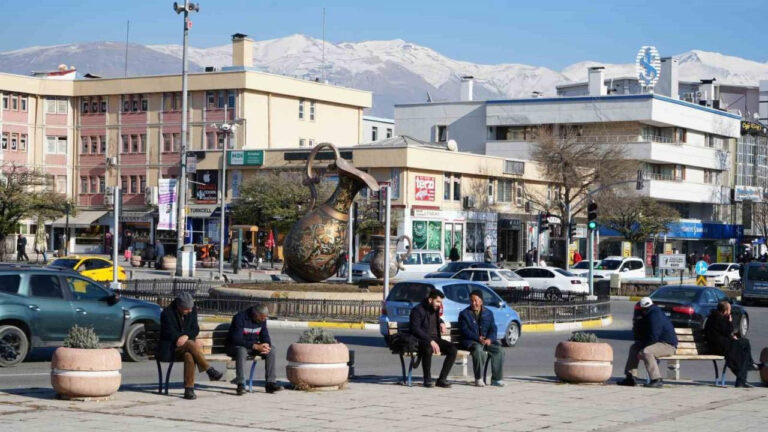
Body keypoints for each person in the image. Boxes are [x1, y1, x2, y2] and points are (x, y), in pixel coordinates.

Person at [158, 293, 223, 400]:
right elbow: (168, 333)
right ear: (179, 306)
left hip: (187, 347)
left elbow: (195, 329)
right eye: (186, 309)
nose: (190, 311)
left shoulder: (192, 311)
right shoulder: (167, 313)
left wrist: (186, 336)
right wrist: (182, 338)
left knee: (189, 355)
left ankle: (189, 390)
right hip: (171, 348)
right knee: (190, 344)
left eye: (191, 308)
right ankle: (209, 370)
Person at [617, 297, 678, 388]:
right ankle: (631, 377)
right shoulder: (647, 314)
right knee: (634, 348)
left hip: (667, 345)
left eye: (643, 309)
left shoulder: (655, 315)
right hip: (656, 343)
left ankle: (656, 379)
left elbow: (654, 335)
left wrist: (643, 349)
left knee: (647, 352)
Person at [225, 304, 283, 395]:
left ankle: (270, 384)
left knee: (272, 350)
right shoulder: (240, 318)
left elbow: (264, 334)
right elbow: (237, 339)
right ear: (255, 314)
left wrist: (266, 344)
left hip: (252, 346)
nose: (263, 320)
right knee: (242, 351)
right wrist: (255, 346)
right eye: (262, 318)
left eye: (265, 318)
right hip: (236, 346)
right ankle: (241, 384)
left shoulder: (262, 319)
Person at [705, 301, 764, 387]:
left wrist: (732, 337)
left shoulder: (713, 317)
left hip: (719, 344)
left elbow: (722, 333)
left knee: (744, 344)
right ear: (725, 311)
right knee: (743, 350)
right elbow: (728, 330)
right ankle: (746, 372)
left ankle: (749, 366)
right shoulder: (719, 318)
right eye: (729, 311)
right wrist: (730, 321)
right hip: (720, 347)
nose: (730, 313)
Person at [410, 289, 457, 388]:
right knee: (428, 349)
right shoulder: (417, 310)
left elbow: (436, 318)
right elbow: (415, 329)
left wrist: (441, 322)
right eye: (438, 301)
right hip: (422, 340)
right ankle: (427, 379)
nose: (439, 305)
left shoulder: (434, 309)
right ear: (430, 300)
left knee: (452, 349)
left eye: (441, 302)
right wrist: (430, 340)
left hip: (435, 339)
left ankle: (442, 379)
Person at [458, 290, 505, 387]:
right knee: (478, 351)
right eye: (471, 301)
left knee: (499, 350)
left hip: (485, 341)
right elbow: (464, 331)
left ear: (481, 301)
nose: (473, 303)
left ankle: (496, 379)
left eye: (476, 300)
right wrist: (477, 338)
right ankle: (478, 378)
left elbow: (493, 329)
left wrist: (490, 340)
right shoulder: (464, 314)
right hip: (471, 342)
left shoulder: (488, 313)